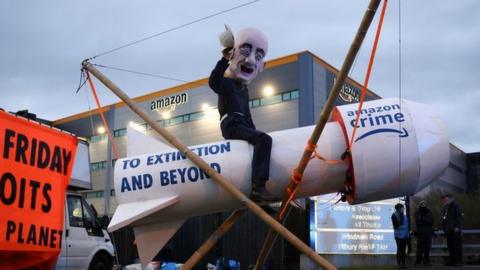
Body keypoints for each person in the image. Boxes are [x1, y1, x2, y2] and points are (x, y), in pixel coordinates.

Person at [209, 26, 277, 202]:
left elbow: (248, 117)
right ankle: (258, 187)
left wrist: (255, 133)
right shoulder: (225, 83)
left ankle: (260, 192)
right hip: (231, 123)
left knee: (262, 140)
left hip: (241, 124)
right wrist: (224, 58)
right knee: (264, 139)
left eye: (259, 56)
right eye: (245, 50)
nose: (251, 60)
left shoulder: (244, 90)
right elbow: (213, 81)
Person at [441, 193, 463, 266]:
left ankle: (458, 261)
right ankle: (453, 260)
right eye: (444, 199)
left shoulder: (456, 205)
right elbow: (444, 218)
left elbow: (459, 217)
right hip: (448, 230)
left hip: (455, 229)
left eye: (446, 199)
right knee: (450, 246)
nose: (445, 200)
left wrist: (457, 226)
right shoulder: (446, 207)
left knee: (456, 246)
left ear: (451, 198)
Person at [413, 200, 433, 266]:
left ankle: (426, 262)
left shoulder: (429, 212)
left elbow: (431, 221)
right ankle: (418, 262)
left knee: (427, 248)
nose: (423, 205)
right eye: (422, 204)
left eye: (424, 204)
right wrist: (425, 221)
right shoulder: (417, 213)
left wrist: (423, 220)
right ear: (420, 205)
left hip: (428, 232)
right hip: (421, 233)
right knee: (420, 248)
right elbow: (418, 221)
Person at [391, 203, 409, 269]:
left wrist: (407, 234)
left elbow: (407, 226)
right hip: (398, 236)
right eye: (402, 208)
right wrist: (400, 220)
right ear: (398, 209)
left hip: (405, 235)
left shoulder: (404, 216)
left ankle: (403, 263)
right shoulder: (394, 215)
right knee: (399, 249)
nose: (403, 209)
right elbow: (395, 226)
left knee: (403, 250)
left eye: (403, 208)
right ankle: (399, 264)